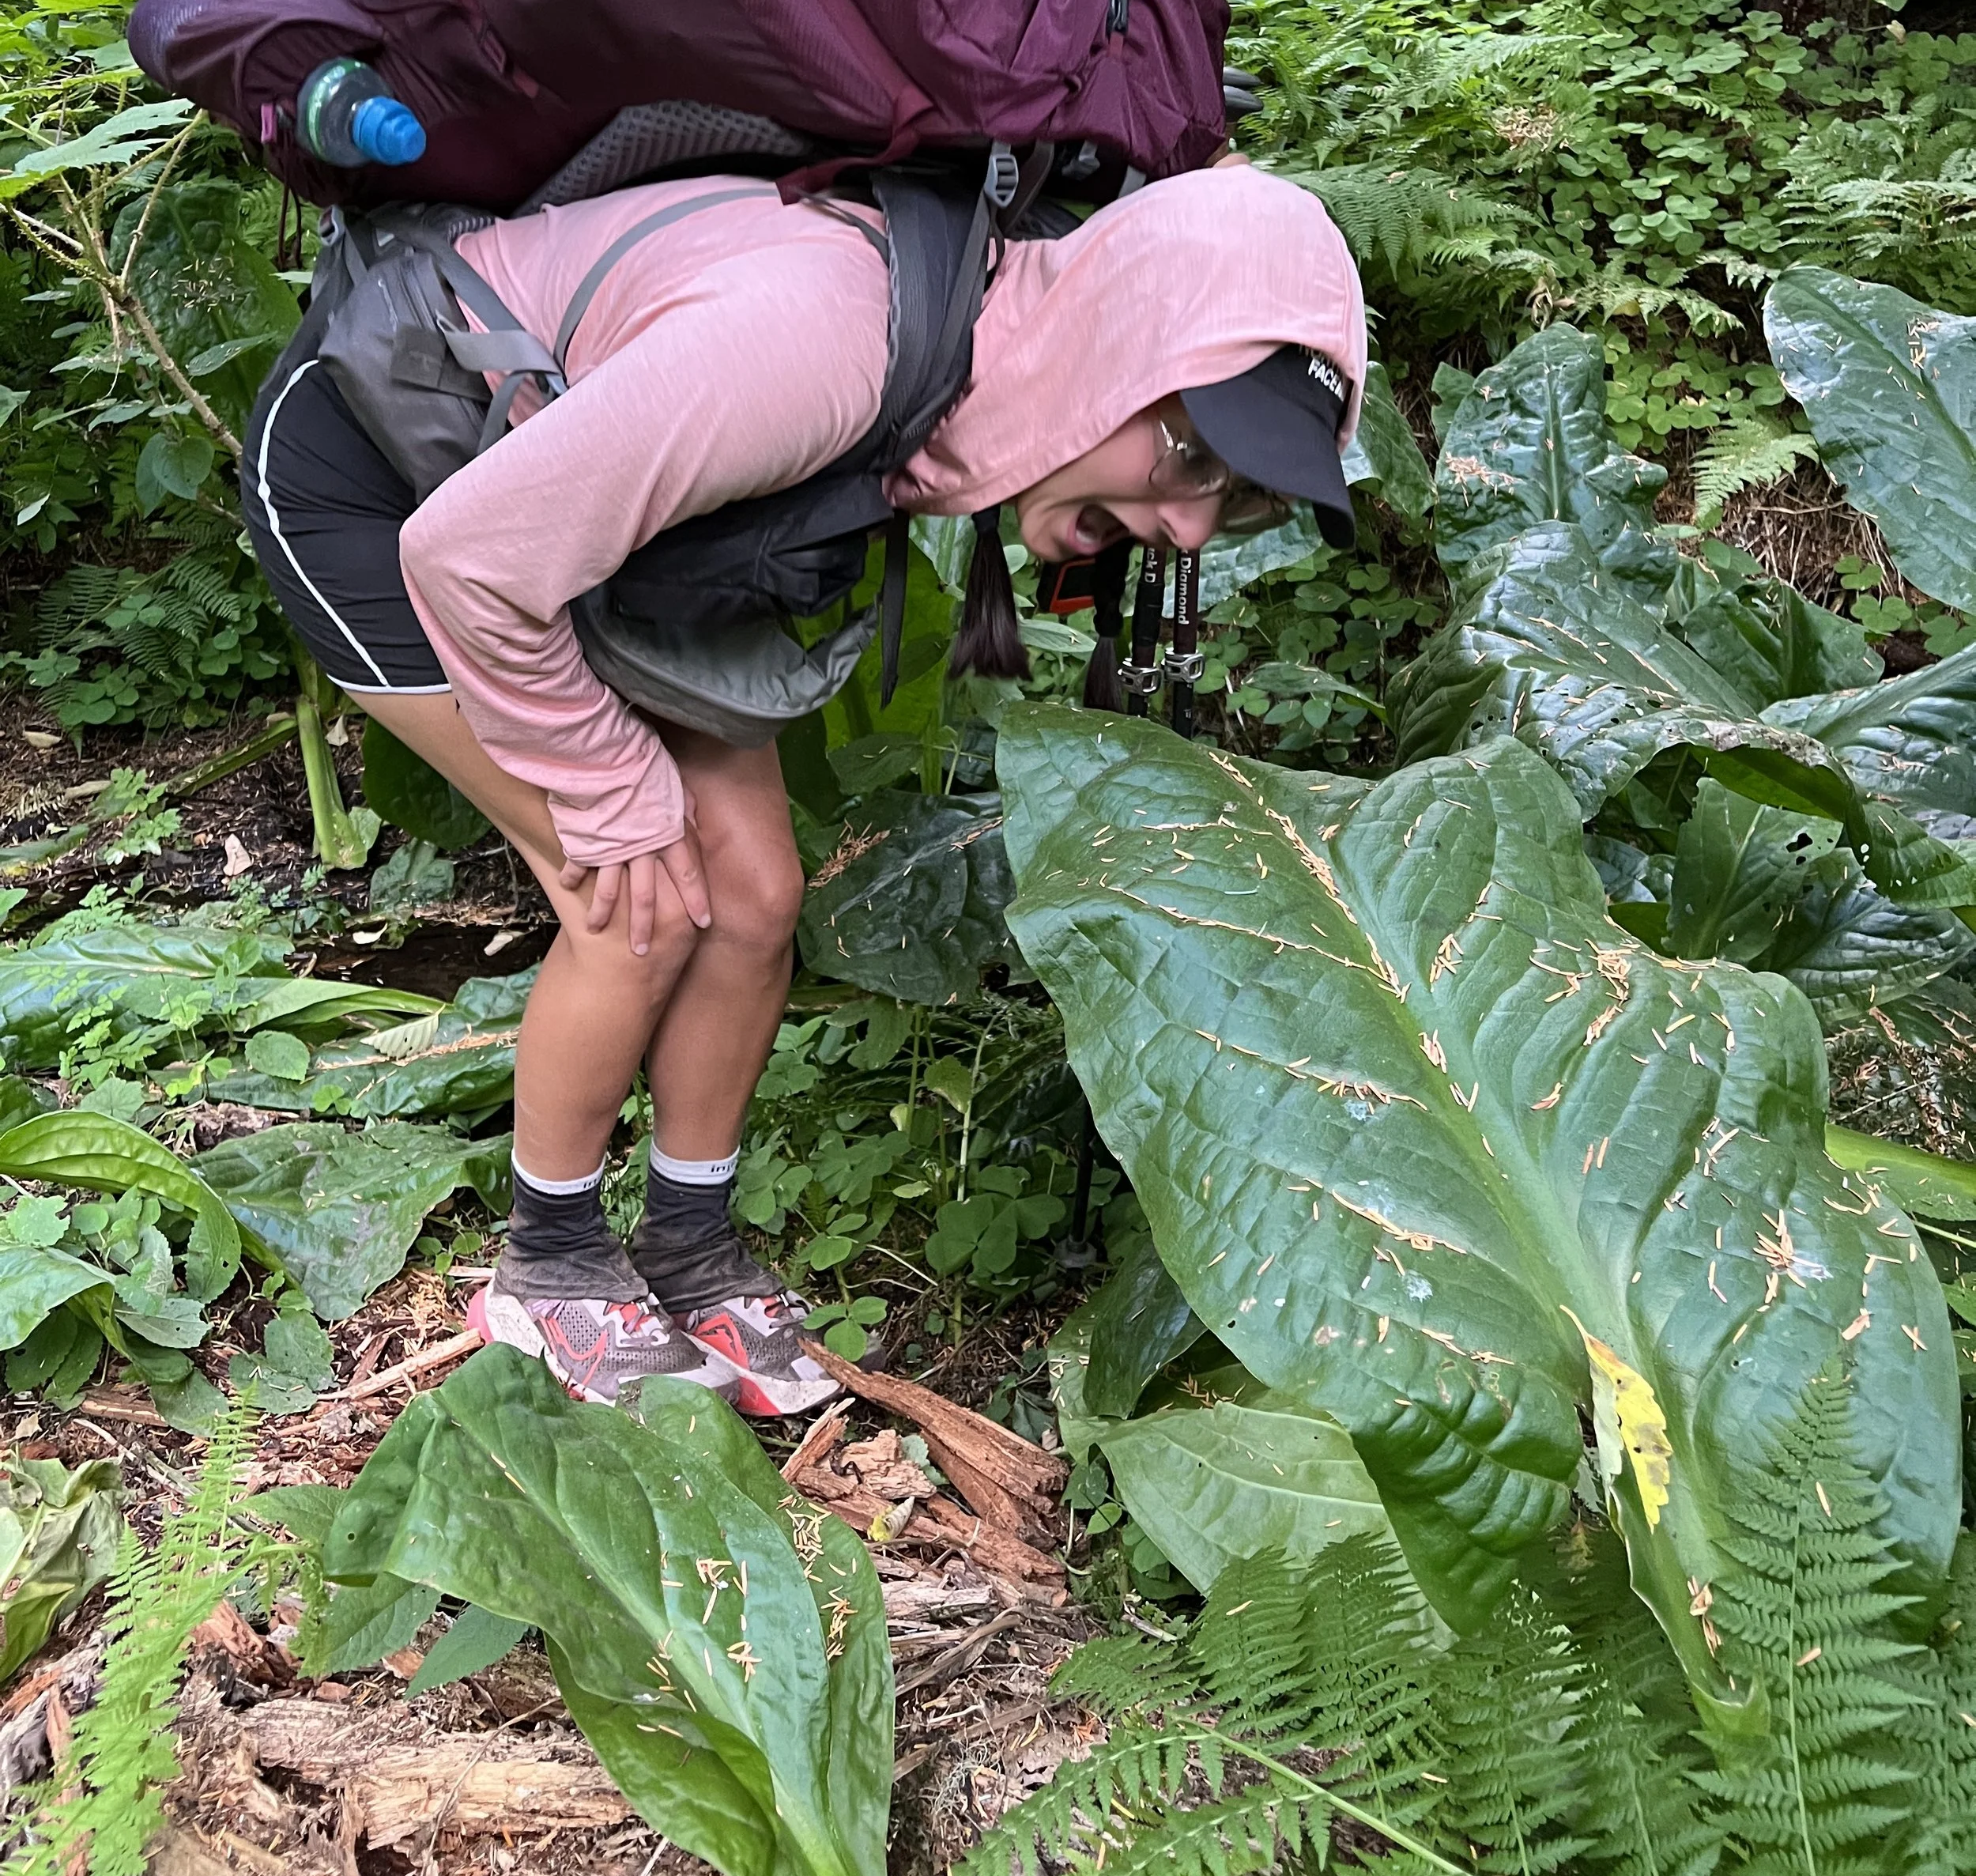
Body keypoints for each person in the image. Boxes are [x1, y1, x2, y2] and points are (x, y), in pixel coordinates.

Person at [240, 159, 1367, 1415]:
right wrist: (612, 791)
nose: (1193, 528)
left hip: (577, 509)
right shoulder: (821, 348)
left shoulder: (973, 348)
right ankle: (546, 1265)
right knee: (635, 896)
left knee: (760, 894)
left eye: (1241, 496)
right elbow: (469, 561)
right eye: (1190, 449)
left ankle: (686, 1245)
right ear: (1110, 350)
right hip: (390, 479)